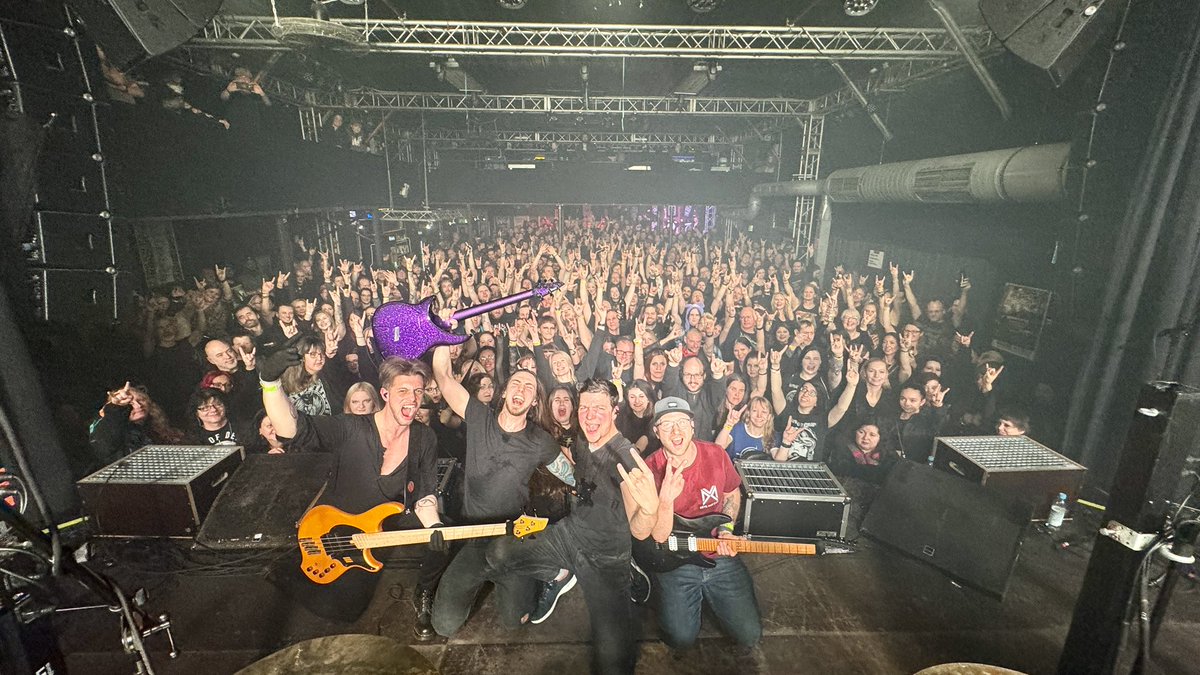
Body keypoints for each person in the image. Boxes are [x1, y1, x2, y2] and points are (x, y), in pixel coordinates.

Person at [259, 347, 446, 637]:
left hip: (378, 528)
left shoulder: (424, 438)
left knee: (446, 534)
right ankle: (284, 569)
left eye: (418, 391)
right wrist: (270, 382)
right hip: (334, 528)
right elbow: (293, 428)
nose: (412, 398)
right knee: (347, 611)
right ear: (385, 395)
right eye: (403, 391)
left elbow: (424, 493)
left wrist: (434, 525)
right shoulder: (351, 428)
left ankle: (425, 597)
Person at [485, 379, 660, 674]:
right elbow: (581, 478)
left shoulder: (625, 458)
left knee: (614, 666)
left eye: (599, 409)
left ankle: (628, 573)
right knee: (497, 553)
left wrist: (651, 508)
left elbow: (641, 530)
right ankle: (560, 574)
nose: (590, 416)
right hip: (569, 535)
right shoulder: (582, 438)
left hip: (606, 559)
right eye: (585, 408)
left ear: (615, 411)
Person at [429, 344, 573, 638]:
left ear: (534, 402)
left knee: (514, 622)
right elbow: (443, 376)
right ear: (504, 391)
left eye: (529, 387)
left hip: (513, 539)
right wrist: (442, 335)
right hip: (472, 538)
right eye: (516, 383)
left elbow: (571, 476)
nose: (521, 390)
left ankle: (552, 572)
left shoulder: (540, 440)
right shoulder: (478, 416)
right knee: (442, 626)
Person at [643, 397, 763, 654]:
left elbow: (731, 493)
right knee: (680, 639)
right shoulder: (648, 470)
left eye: (682, 423)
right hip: (674, 559)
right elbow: (657, 534)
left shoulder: (716, 454)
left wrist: (726, 531)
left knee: (750, 634)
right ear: (656, 431)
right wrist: (665, 500)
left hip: (717, 553)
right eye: (666, 425)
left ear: (693, 425)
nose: (676, 432)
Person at [88, 382, 183, 472]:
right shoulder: (111, 430)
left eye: (141, 400)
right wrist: (115, 408)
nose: (138, 406)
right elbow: (105, 445)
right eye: (130, 404)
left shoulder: (158, 429)